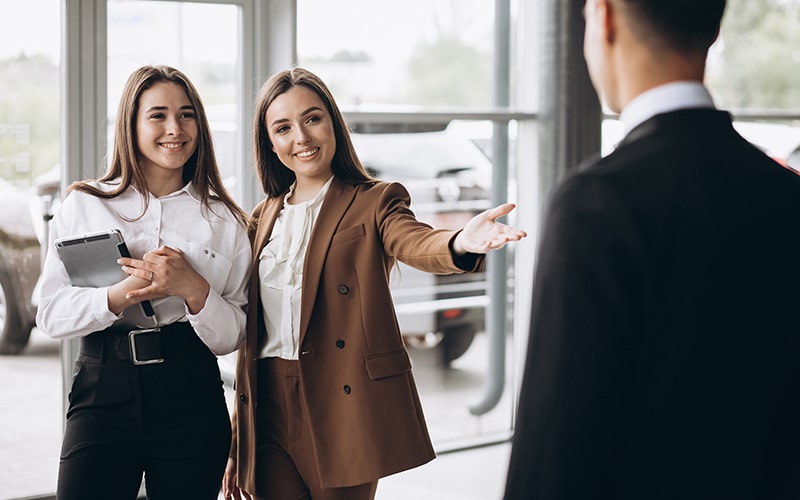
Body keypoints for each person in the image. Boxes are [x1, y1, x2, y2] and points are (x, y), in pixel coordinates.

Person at [503, 1, 800, 499]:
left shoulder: (598, 203)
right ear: (712, 27)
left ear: (605, 16)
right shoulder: (786, 193)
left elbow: (555, 449)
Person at [221, 67, 526, 500]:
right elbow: (253, 336)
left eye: (312, 119)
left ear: (334, 124)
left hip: (341, 402)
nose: (301, 138)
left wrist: (460, 242)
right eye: (283, 127)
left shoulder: (374, 200)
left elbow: (415, 241)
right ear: (269, 142)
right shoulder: (261, 218)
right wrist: (239, 436)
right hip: (267, 405)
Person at [36, 65, 251, 500]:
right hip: (102, 389)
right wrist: (116, 297)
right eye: (158, 115)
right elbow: (50, 314)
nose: (175, 128)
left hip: (190, 393)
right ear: (130, 125)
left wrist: (194, 289)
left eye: (187, 115)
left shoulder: (225, 219)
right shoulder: (85, 205)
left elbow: (235, 335)